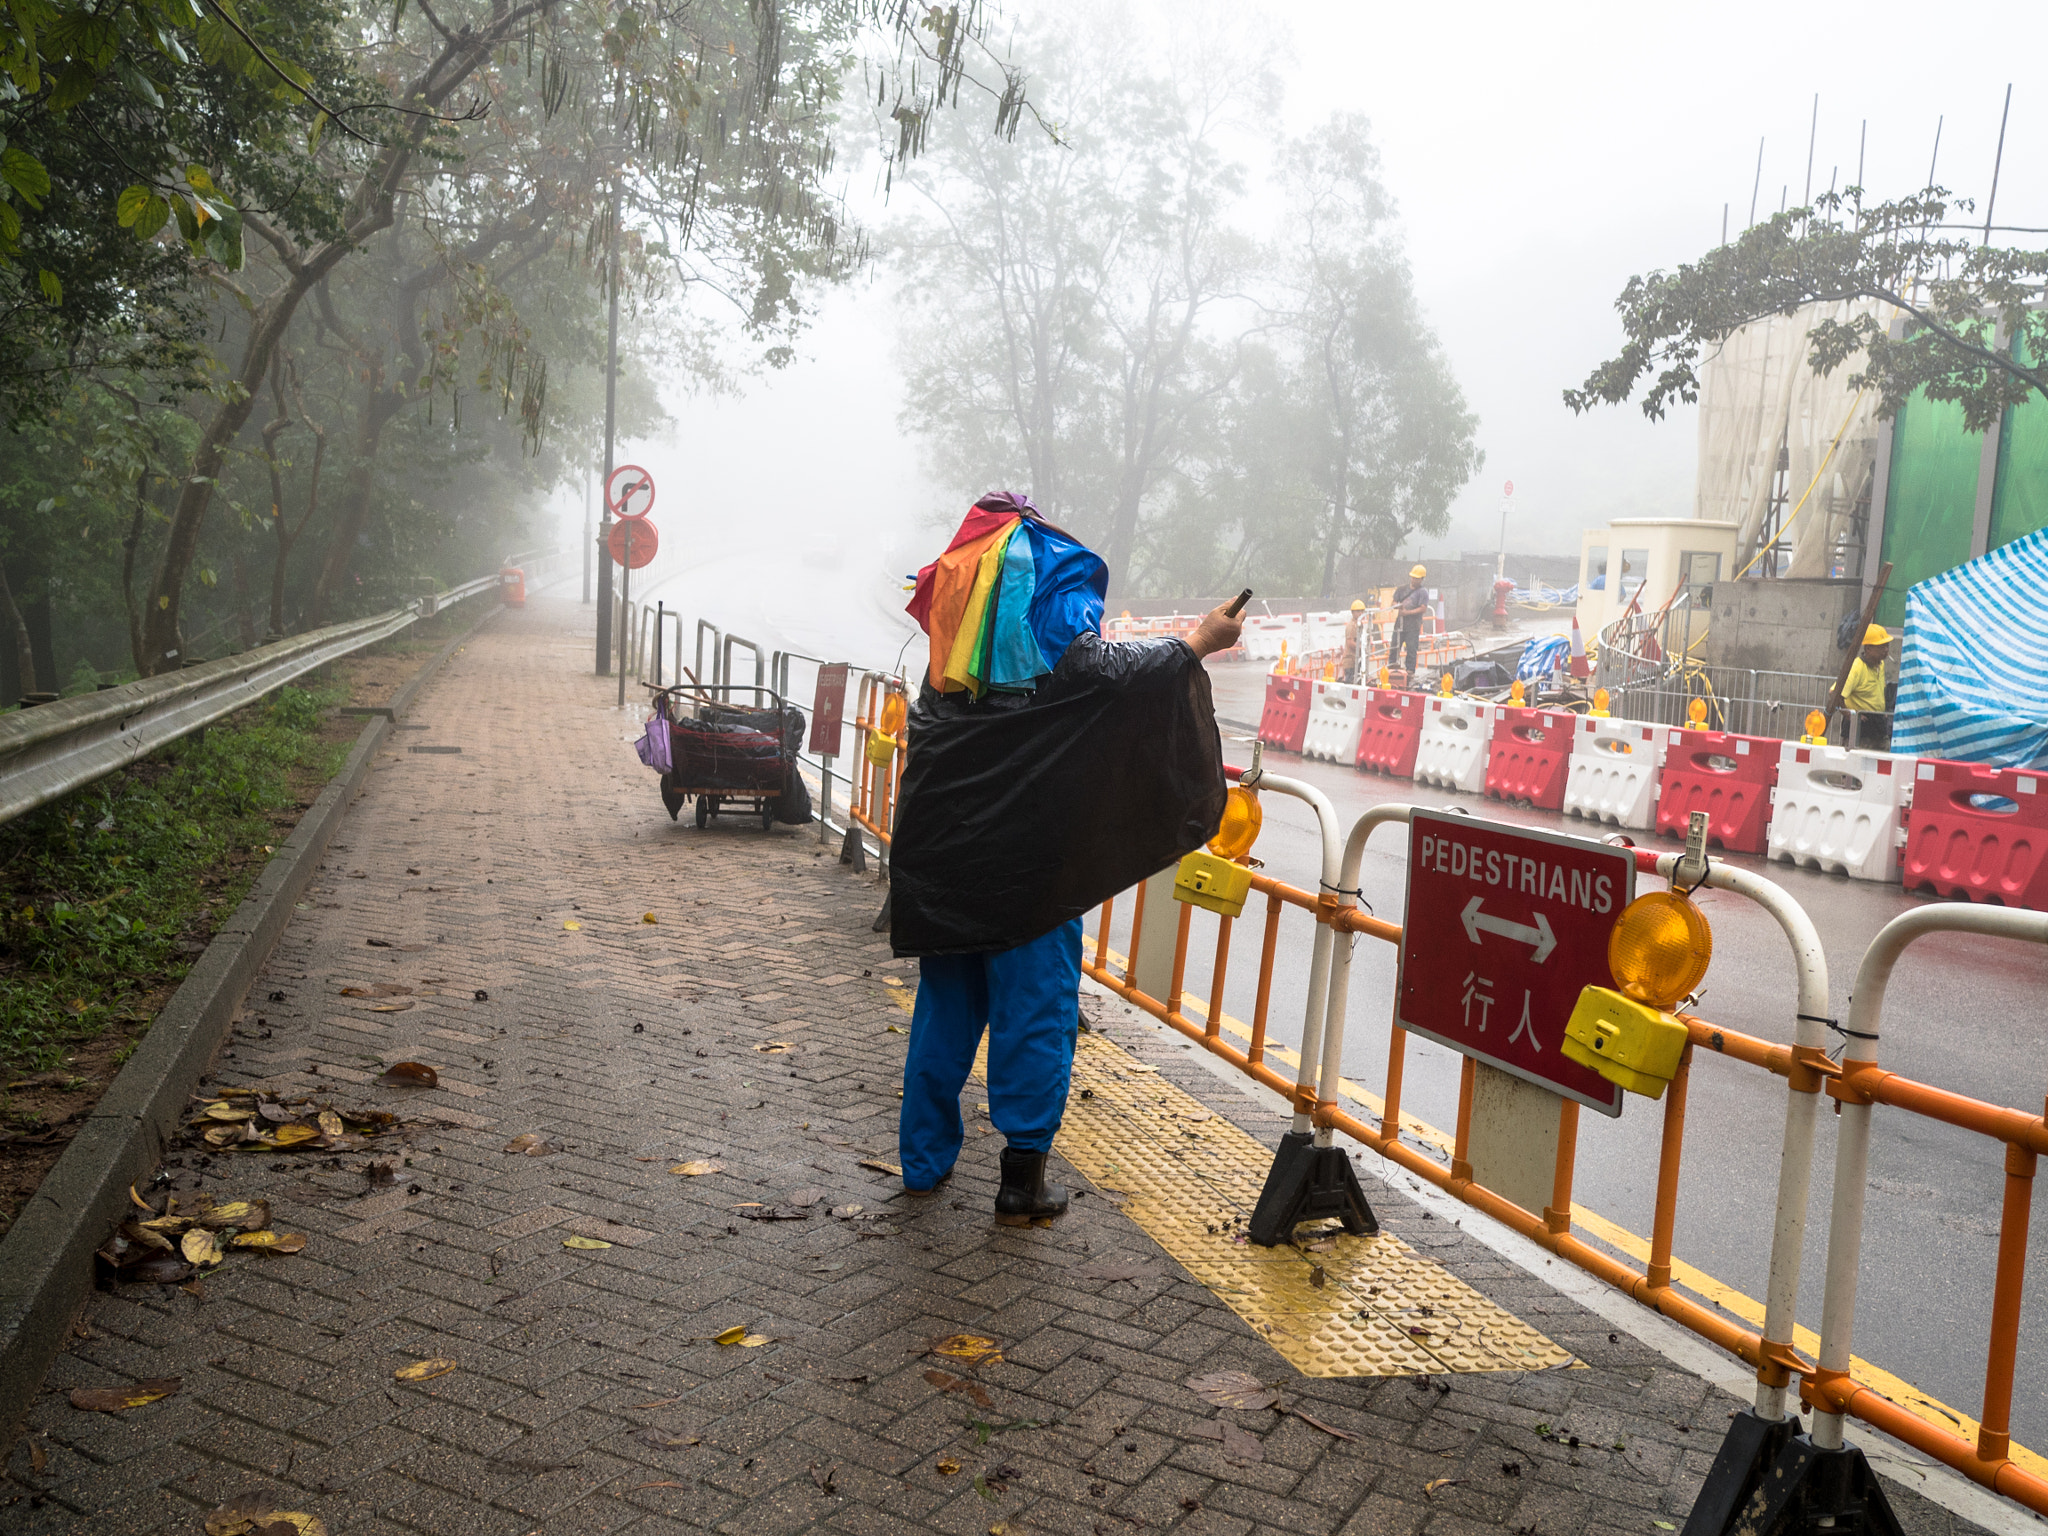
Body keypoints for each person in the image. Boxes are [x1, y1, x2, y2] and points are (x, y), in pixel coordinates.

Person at [891, 492, 1241, 1225]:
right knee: (1034, 1014)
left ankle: (922, 1166)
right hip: (1032, 875)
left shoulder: (947, 665)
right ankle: (1022, 1182)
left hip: (945, 868)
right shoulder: (1056, 640)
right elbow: (1113, 668)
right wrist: (1199, 641)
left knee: (944, 1010)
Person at [1842, 623, 1893, 750]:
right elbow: (1834, 694)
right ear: (1868, 648)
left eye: (1887, 646)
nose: (1886, 650)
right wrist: (1849, 715)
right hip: (1860, 728)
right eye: (1881, 647)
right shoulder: (1856, 667)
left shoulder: (1880, 665)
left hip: (1878, 726)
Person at [1390, 565, 1429, 677]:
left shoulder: (1422, 592)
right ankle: (1392, 667)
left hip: (1413, 625)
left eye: (1417, 578)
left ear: (1422, 579)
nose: (1414, 580)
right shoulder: (1402, 589)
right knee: (1394, 646)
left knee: (1411, 648)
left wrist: (1407, 612)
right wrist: (1397, 606)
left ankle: (1410, 671)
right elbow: (1393, 602)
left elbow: (1423, 608)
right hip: (1400, 624)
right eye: (1413, 577)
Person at [1341, 599, 1366, 683]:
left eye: (1362, 611)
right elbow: (1350, 643)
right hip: (1350, 662)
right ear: (1352, 612)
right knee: (1350, 684)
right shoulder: (1351, 626)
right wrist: (1361, 647)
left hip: (1357, 660)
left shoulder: (1360, 625)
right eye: (1358, 611)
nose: (1360, 613)